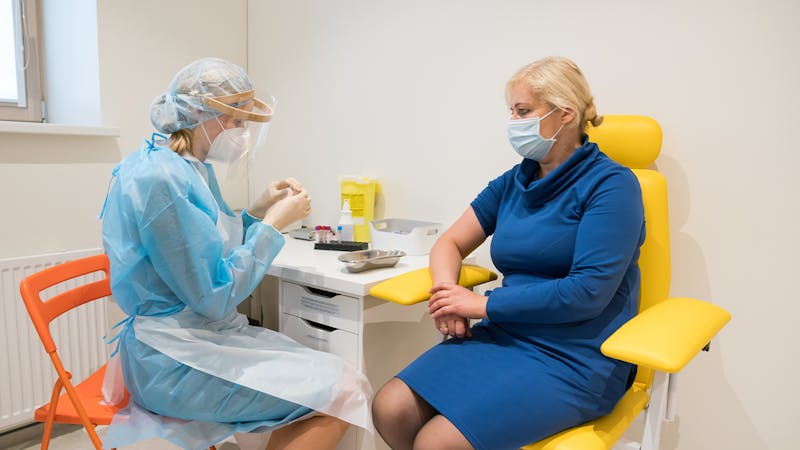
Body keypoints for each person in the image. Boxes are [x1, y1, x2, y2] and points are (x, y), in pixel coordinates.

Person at [371, 56, 645, 450]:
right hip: (506, 334)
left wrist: (479, 305)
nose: (513, 122)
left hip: (576, 356)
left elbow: (586, 293)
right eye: (512, 111)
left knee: (437, 442)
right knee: (390, 407)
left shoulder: (612, 186)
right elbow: (449, 243)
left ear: (564, 113)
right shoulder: (515, 181)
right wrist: (448, 295)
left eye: (523, 111)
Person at [100, 57, 371, 450]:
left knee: (338, 378)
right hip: (172, 359)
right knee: (344, 389)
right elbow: (214, 295)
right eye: (237, 122)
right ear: (199, 114)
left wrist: (258, 210)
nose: (242, 134)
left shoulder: (188, 166)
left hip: (198, 338)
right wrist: (272, 226)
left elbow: (207, 246)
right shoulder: (162, 179)